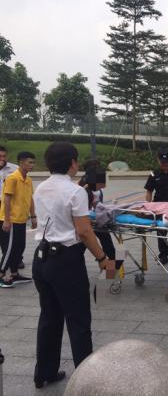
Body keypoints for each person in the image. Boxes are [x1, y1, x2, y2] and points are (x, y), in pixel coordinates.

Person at [32, 142, 113, 389]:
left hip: (41, 259)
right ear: (72, 163)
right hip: (66, 261)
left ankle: (44, 373)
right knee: (78, 321)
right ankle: (85, 382)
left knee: (49, 317)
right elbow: (84, 231)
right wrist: (102, 258)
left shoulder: (40, 187)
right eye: (76, 160)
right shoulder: (75, 191)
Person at [0, 151, 37, 287]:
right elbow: (7, 199)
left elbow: (30, 199)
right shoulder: (12, 178)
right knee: (9, 249)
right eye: (30, 162)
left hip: (21, 220)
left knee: (19, 247)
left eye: (33, 163)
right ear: (21, 162)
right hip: (11, 220)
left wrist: (33, 216)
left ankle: (14, 274)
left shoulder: (28, 180)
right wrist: (7, 220)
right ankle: (1, 274)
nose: (32, 165)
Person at [79, 160, 115, 260]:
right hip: (87, 221)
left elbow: (98, 203)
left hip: (97, 219)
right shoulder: (82, 187)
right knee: (81, 247)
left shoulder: (97, 183)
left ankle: (110, 268)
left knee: (109, 247)